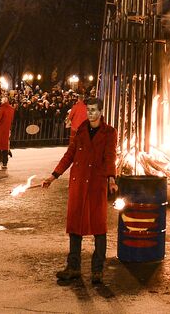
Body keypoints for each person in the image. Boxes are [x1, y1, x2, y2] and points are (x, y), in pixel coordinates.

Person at [40, 96, 117, 286]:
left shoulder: (109, 132)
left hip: (95, 184)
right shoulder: (81, 129)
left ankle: (97, 270)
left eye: (93, 110)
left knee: (98, 227)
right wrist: (54, 175)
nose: (90, 113)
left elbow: (110, 156)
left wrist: (111, 179)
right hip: (78, 182)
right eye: (88, 110)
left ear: (101, 112)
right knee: (75, 225)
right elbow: (70, 154)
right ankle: (73, 267)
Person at [0, 95, 15, 170]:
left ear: (4, 101)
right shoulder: (11, 109)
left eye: (1, 100)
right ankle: (5, 162)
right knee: (5, 146)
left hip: (0, 129)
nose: (0, 101)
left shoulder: (1, 108)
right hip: (7, 128)